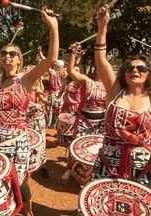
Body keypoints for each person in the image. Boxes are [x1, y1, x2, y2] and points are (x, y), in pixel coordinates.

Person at [0, 8, 59, 215]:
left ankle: (28, 209)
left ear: (19, 60)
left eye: (12, 53)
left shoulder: (26, 79)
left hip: (16, 140)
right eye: (3, 53)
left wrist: (53, 27)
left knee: (20, 179)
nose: (7, 56)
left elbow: (51, 59)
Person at [93, 5, 151, 187]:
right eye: (129, 68)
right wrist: (102, 27)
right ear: (124, 73)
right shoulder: (115, 91)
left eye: (141, 68)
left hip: (144, 166)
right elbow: (101, 60)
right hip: (109, 163)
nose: (134, 70)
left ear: (148, 74)